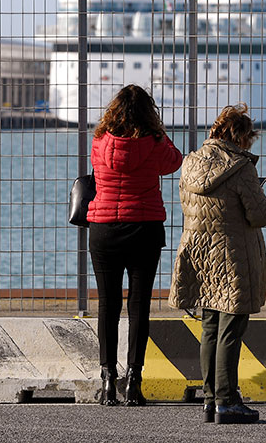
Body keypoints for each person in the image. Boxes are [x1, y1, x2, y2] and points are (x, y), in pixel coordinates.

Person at [169, 104, 266, 425]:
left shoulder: (190, 164)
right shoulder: (241, 168)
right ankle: (228, 401)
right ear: (241, 136)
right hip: (232, 256)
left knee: (210, 327)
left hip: (199, 254)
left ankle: (211, 399)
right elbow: (260, 215)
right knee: (231, 327)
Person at [87, 84, 183, 406]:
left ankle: (107, 379)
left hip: (103, 229)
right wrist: (159, 132)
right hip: (144, 228)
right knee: (139, 305)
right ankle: (135, 382)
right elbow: (175, 161)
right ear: (148, 114)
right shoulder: (154, 144)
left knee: (108, 305)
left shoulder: (99, 141)